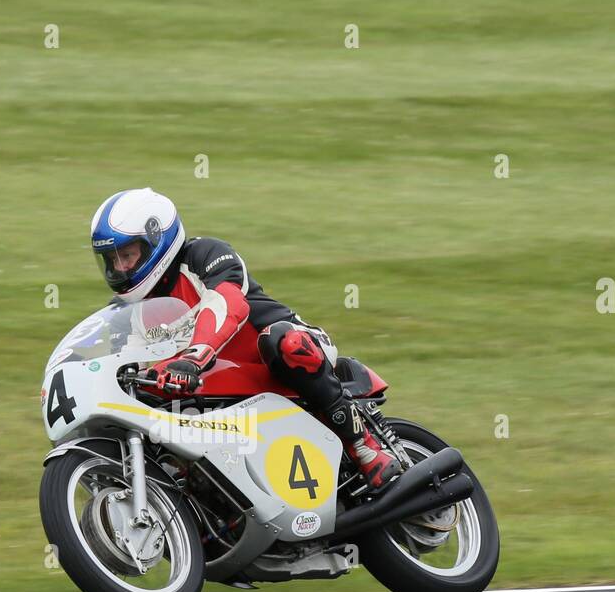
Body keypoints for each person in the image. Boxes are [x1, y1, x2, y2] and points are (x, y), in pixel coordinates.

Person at [90, 188, 401, 492]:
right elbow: (124, 365)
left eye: (128, 255)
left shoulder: (205, 255)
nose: (120, 268)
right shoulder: (124, 312)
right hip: (216, 390)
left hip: (283, 356)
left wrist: (193, 356)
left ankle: (363, 446)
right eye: (112, 260)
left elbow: (226, 304)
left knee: (284, 342)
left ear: (156, 240)